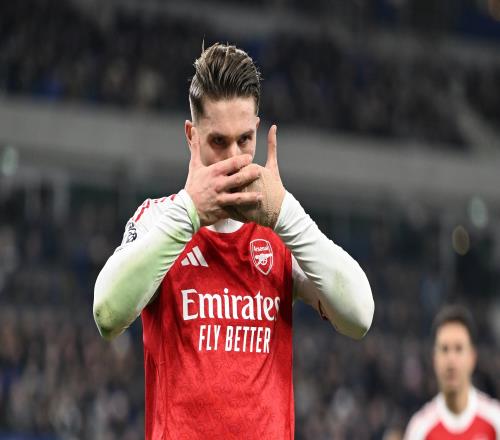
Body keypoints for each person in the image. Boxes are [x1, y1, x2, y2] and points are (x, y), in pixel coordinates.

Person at [93, 42, 374, 439]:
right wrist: (191, 212)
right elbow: (106, 315)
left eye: (245, 139)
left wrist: (287, 214)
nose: (234, 158)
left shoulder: (281, 230)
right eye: (218, 142)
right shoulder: (159, 219)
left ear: (258, 129)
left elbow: (360, 317)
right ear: (191, 136)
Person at [404, 305, 500, 440]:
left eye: (458, 349)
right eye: (444, 349)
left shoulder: (495, 421)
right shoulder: (420, 428)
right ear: (434, 359)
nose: (451, 359)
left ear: (472, 357)